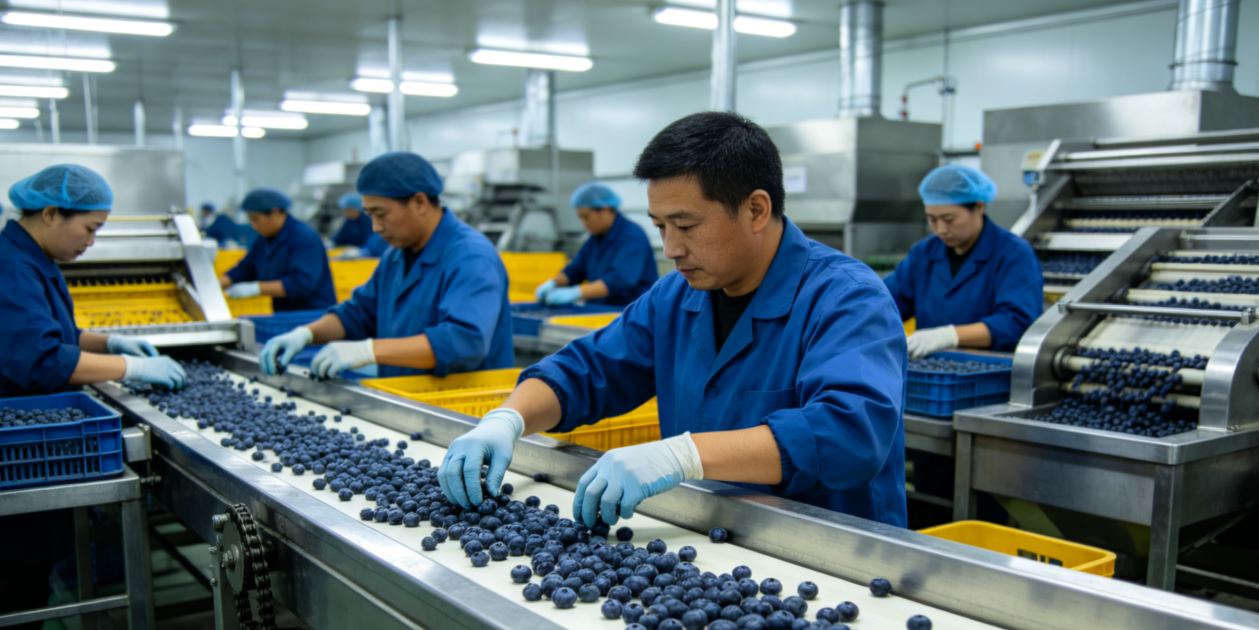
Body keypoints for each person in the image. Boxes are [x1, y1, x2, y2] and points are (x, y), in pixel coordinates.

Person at [438, 112, 907, 529]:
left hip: (827, 556)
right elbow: (590, 369)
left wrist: (684, 455)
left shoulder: (846, 298)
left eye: (686, 226)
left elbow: (849, 432)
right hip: (709, 537)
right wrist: (508, 420)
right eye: (660, 226)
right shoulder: (676, 295)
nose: (671, 249)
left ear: (756, 210)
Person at [0, 164, 186, 630]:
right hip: (1, 444)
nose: (91, 241)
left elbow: (54, 333)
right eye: (89, 228)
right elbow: (39, 359)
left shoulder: (26, 258)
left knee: (21, 555)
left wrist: (110, 341)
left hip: (23, 433)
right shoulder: (6, 268)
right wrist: (130, 367)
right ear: (51, 214)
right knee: (10, 556)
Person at [259, 152, 513, 381]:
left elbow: (465, 342)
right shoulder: (396, 256)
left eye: (381, 214)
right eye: (369, 215)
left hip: (460, 407)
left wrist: (367, 351)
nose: (376, 227)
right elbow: (359, 314)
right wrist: (305, 334)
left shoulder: (470, 257)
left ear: (420, 202)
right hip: (405, 398)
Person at [885, 164, 1043, 359]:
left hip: (990, 370)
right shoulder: (924, 253)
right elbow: (887, 302)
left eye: (949, 219)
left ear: (978, 207)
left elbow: (1016, 323)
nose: (941, 229)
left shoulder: (1014, 255)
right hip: (929, 367)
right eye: (932, 220)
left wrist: (948, 336)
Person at [534, 182, 658, 307]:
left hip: (629, 311)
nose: (584, 224)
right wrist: (553, 284)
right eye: (580, 218)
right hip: (601, 309)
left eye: (586, 217)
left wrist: (576, 293)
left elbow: (620, 281)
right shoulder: (596, 239)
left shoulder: (632, 236)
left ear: (605, 210)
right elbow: (575, 270)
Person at [219, 188, 337, 311]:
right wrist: (218, 284)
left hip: (313, 314)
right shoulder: (265, 239)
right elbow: (245, 269)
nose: (253, 226)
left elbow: (301, 284)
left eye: (255, 219)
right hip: (285, 314)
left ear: (275, 213)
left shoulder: (305, 238)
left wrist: (255, 288)